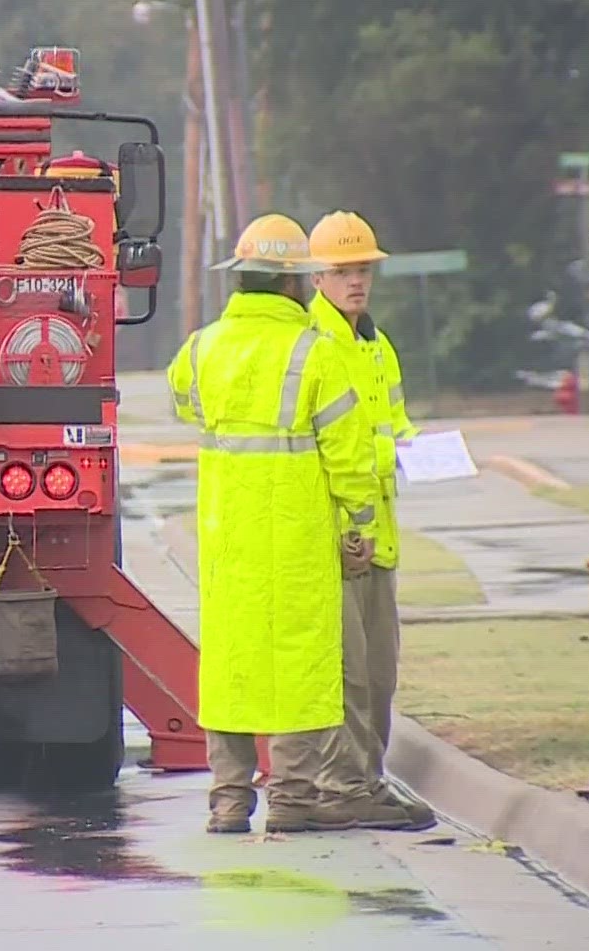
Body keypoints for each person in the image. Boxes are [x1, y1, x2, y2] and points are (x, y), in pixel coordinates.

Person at [166, 213, 382, 835]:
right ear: (294, 284)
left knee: (232, 665)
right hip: (296, 541)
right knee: (299, 667)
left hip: (226, 542)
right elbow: (349, 452)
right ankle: (291, 799)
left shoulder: (203, 347)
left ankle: (230, 802)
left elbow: (184, 401)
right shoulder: (314, 352)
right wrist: (360, 525)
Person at [302, 211, 437, 831]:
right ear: (317, 276)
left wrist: (425, 451)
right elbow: (336, 450)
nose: (355, 281)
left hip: (378, 533)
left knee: (380, 674)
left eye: (363, 270)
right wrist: (348, 527)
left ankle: (368, 781)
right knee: (349, 675)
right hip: (337, 536)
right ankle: (344, 785)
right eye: (341, 270)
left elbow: (392, 427)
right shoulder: (313, 344)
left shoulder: (376, 346)